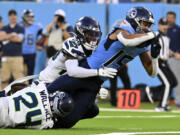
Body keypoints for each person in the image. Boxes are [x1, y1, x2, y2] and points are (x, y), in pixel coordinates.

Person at [47, 7, 161, 128]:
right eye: (145, 23)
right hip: (86, 69)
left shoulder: (142, 45)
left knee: (69, 121)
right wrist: (152, 35)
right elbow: (127, 40)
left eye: (149, 25)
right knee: (49, 91)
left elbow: (152, 73)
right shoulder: (123, 28)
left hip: (96, 82)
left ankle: (45, 123)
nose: (147, 28)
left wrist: (155, 58)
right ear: (134, 20)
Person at [39, 16, 117, 83]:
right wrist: (98, 72)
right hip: (47, 82)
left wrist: (99, 88)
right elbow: (72, 71)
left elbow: (85, 73)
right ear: (80, 33)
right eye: (90, 34)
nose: (94, 38)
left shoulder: (91, 50)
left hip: (62, 85)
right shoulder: (73, 44)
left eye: (96, 35)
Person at [0, 81, 74, 129]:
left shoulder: (42, 89)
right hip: (5, 122)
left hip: (3, 103)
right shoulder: (47, 123)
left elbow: (19, 86)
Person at [145, 17, 177, 112]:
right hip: (157, 61)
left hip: (165, 62)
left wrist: (174, 54)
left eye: (166, 24)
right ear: (159, 25)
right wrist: (150, 59)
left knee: (174, 82)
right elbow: (147, 47)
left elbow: (166, 50)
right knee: (167, 83)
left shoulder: (167, 37)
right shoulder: (155, 35)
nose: (165, 26)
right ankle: (161, 106)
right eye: (163, 24)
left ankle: (152, 90)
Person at [1, 9, 25, 89]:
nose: (13, 17)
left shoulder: (20, 28)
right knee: (4, 80)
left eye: (14, 15)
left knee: (19, 81)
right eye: (11, 15)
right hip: (5, 57)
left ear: (17, 16)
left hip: (17, 57)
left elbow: (19, 39)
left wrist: (6, 36)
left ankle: (19, 98)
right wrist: (12, 35)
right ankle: (2, 99)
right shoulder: (4, 28)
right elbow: (1, 38)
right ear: (8, 17)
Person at [20, 9, 43, 82]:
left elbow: (45, 35)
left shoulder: (37, 27)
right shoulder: (19, 26)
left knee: (30, 75)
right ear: (24, 17)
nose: (30, 18)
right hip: (20, 53)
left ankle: (28, 88)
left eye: (31, 17)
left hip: (31, 54)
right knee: (20, 74)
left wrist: (39, 44)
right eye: (29, 17)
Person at [166, 11, 180, 108]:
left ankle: (178, 102)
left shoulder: (178, 30)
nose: (169, 19)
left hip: (175, 58)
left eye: (171, 18)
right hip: (164, 59)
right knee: (166, 81)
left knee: (177, 80)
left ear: (174, 19)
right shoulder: (164, 30)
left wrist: (178, 53)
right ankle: (165, 101)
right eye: (168, 17)